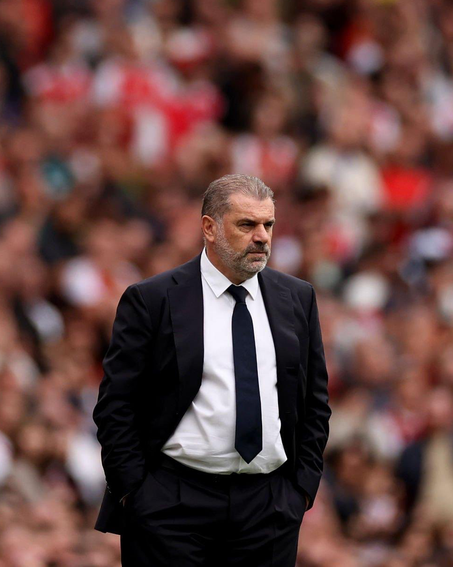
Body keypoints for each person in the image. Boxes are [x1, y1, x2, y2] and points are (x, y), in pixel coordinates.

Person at [93, 174, 331, 565]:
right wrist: (135, 492)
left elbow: (314, 402)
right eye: (247, 225)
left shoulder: (297, 298)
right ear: (209, 227)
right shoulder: (153, 299)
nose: (262, 237)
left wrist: (300, 488)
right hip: (173, 502)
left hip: (269, 506)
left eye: (268, 225)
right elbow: (115, 406)